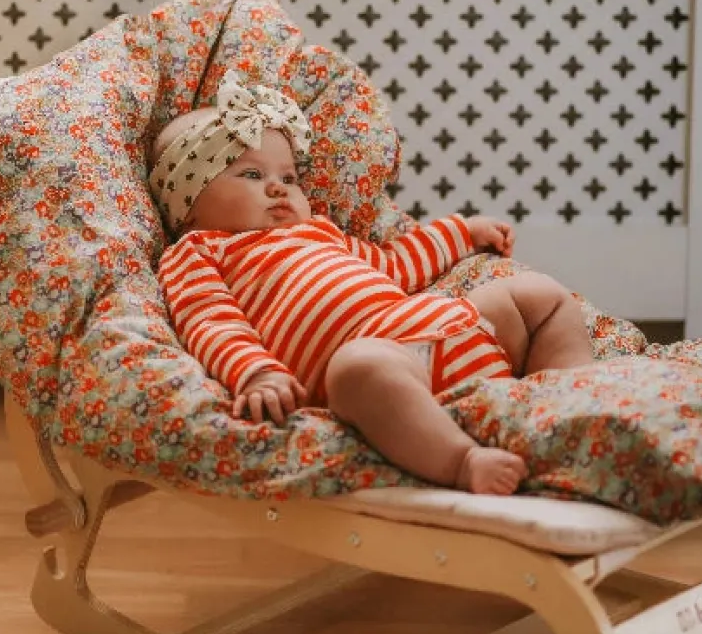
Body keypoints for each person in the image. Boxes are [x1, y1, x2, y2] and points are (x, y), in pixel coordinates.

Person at [149, 71, 594, 496]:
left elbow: (397, 264)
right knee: (355, 369)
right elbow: (210, 321)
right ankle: (463, 461)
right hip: (391, 364)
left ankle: (576, 396)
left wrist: (462, 233)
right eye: (251, 175)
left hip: (442, 324)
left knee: (539, 296)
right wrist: (256, 371)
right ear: (188, 205)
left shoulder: (321, 232)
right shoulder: (198, 251)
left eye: (289, 178)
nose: (278, 189)